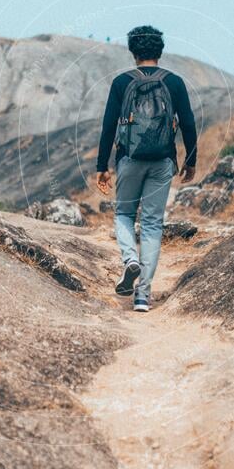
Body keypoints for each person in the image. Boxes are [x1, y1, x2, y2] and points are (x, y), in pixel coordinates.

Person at [96, 26, 197, 312]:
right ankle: (143, 295)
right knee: (153, 223)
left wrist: (102, 166)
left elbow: (108, 126)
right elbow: (188, 124)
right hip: (163, 161)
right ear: (160, 51)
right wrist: (191, 159)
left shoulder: (121, 82)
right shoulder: (174, 82)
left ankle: (130, 260)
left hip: (129, 158)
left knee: (124, 213)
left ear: (133, 51)